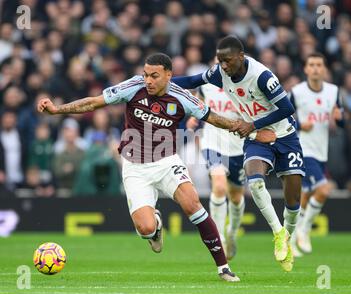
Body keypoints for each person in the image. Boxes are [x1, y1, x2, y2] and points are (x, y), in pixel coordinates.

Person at [37, 52, 275, 282]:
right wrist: (58, 110)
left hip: (166, 162)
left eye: (154, 76)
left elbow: (215, 119)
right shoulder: (133, 87)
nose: (148, 80)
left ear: (169, 75)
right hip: (135, 168)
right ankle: (155, 228)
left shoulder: (183, 97)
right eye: (146, 74)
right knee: (145, 227)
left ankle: (223, 268)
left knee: (194, 206)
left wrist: (252, 130)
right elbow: (93, 103)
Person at [172, 36, 306, 272]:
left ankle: (289, 234)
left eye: (228, 61)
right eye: (220, 61)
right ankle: (277, 233)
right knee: (254, 183)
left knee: (293, 200)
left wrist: (253, 125)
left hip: (284, 136)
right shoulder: (219, 73)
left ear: (241, 57)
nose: (223, 66)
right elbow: (193, 80)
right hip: (254, 139)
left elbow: (287, 108)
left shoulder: (262, 76)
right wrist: (165, 83)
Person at [185, 78, 246, 261]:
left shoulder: (246, 84)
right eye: (219, 61)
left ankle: (232, 233)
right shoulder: (206, 85)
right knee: (219, 186)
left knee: (236, 196)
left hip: (239, 147)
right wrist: (194, 118)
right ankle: (219, 238)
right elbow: (198, 102)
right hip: (213, 143)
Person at [289, 53, 344, 256]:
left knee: (304, 197)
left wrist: (339, 120)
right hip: (303, 150)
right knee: (323, 189)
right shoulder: (296, 92)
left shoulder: (333, 92)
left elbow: (342, 122)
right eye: (311, 64)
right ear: (305, 69)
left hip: (321, 152)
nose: (315, 68)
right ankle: (304, 230)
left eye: (319, 65)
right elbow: (281, 118)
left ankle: (292, 238)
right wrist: (300, 125)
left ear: (324, 69)